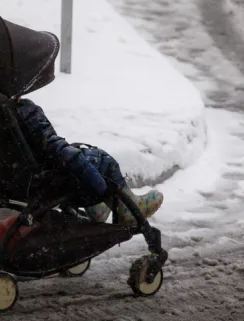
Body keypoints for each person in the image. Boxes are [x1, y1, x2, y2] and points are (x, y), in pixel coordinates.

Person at [14, 96, 163, 227]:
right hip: (50, 179)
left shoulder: (3, 118)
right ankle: (127, 210)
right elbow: (52, 145)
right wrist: (96, 185)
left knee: (77, 152)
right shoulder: (25, 110)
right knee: (103, 161)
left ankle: (98, 207)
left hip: (22, 181)